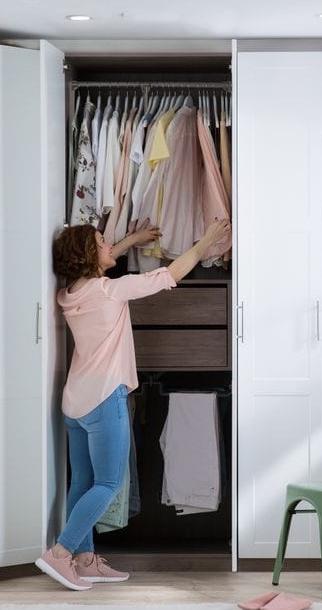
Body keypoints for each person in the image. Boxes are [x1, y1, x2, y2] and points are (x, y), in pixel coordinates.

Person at [38, 217, 232, 590]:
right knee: (108, 483)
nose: (110, 245)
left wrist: (133, 240)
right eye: (103, 242)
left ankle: (85, 558)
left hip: (74, 402)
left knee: (83, 482)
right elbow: (171, 272)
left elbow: (93, 262)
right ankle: (60, 554)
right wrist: (204, 240)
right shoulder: (111, 290)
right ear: (90, 254)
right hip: (105, 398)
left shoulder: (69, 293)